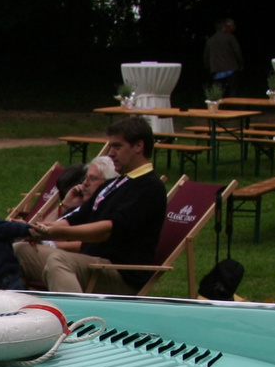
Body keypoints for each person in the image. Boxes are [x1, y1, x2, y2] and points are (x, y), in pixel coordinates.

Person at [16, 117, 167, 294]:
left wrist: (58, 233)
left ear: (138, 146)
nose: (110, 153)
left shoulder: (149, 187)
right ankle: (11, 312)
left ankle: (76, 320)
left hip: (119, 272)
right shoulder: (114, 183)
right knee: (19, 250)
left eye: (117, 146)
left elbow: (108, 230)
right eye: (110, 146)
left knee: (59, 261)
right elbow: (76, 218)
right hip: (90, 263)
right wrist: (39, 228)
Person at [203, 17, 243, 100]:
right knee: (233, 92)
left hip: (216, 71)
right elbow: (237, 51)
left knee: (219, 94)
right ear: (224, 27)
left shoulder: (210, 40)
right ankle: (233, 109)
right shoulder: (230, 37)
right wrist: (240, 63)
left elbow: (206, 57)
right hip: (231, 69)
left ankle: (220, 110)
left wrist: (209, 68)